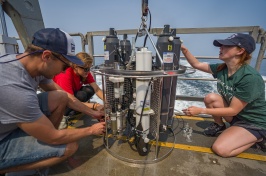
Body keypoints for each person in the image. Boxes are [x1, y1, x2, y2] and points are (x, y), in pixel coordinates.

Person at [0, 28, 106, 174]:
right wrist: (91, 130)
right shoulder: (14, 88)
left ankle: (39, 142)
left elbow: (66, 96)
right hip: (2, 140)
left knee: (60, 97)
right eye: (65, 66)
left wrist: (92, 113)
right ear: (47, 56)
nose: (64, 71)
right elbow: (53, 138)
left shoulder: (27, 64)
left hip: (7, 124)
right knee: (69, 146)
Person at [181, 33, 266, 157]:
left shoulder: (249, 78)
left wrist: (200, 110)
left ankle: (258, 138)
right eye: (221, 46)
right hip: (237, 115)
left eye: (226, 46)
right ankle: (219, 125)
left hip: (253, 122)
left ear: (240, 51)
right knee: (211, 98)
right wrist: (184, 50)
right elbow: (197, 65)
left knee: (221, 149)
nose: (220, 48)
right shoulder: (223, 68)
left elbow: (232, 110)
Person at [53, 52, 104, 118]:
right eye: (86, 69)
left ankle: (76, 109)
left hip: (71, 96)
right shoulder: (65, 74)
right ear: (76, 67)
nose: (88, 71)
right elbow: (70, 100)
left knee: (90, 90)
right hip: (61, 101)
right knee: (81, 95)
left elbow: (96, 89)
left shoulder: (84, 72)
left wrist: (107, 102)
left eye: (89, 68)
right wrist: (95, 106)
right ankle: (66, 114)